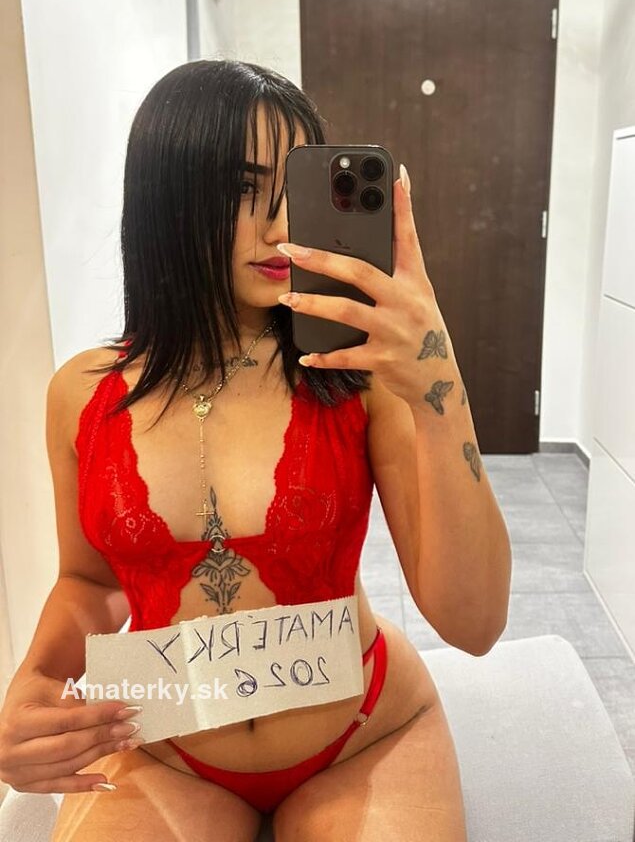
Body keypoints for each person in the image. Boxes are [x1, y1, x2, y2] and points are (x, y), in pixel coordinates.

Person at [0, 60, 468, 840]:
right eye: (242, 191)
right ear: (167, 199)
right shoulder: (82, 394)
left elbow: (472, 622)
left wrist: (438, 383)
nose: (282, 228)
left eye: (297, 191)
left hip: (363, 735)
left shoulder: (354, 375)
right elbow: (90, 581)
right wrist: (38, 679)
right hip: (163, 745)